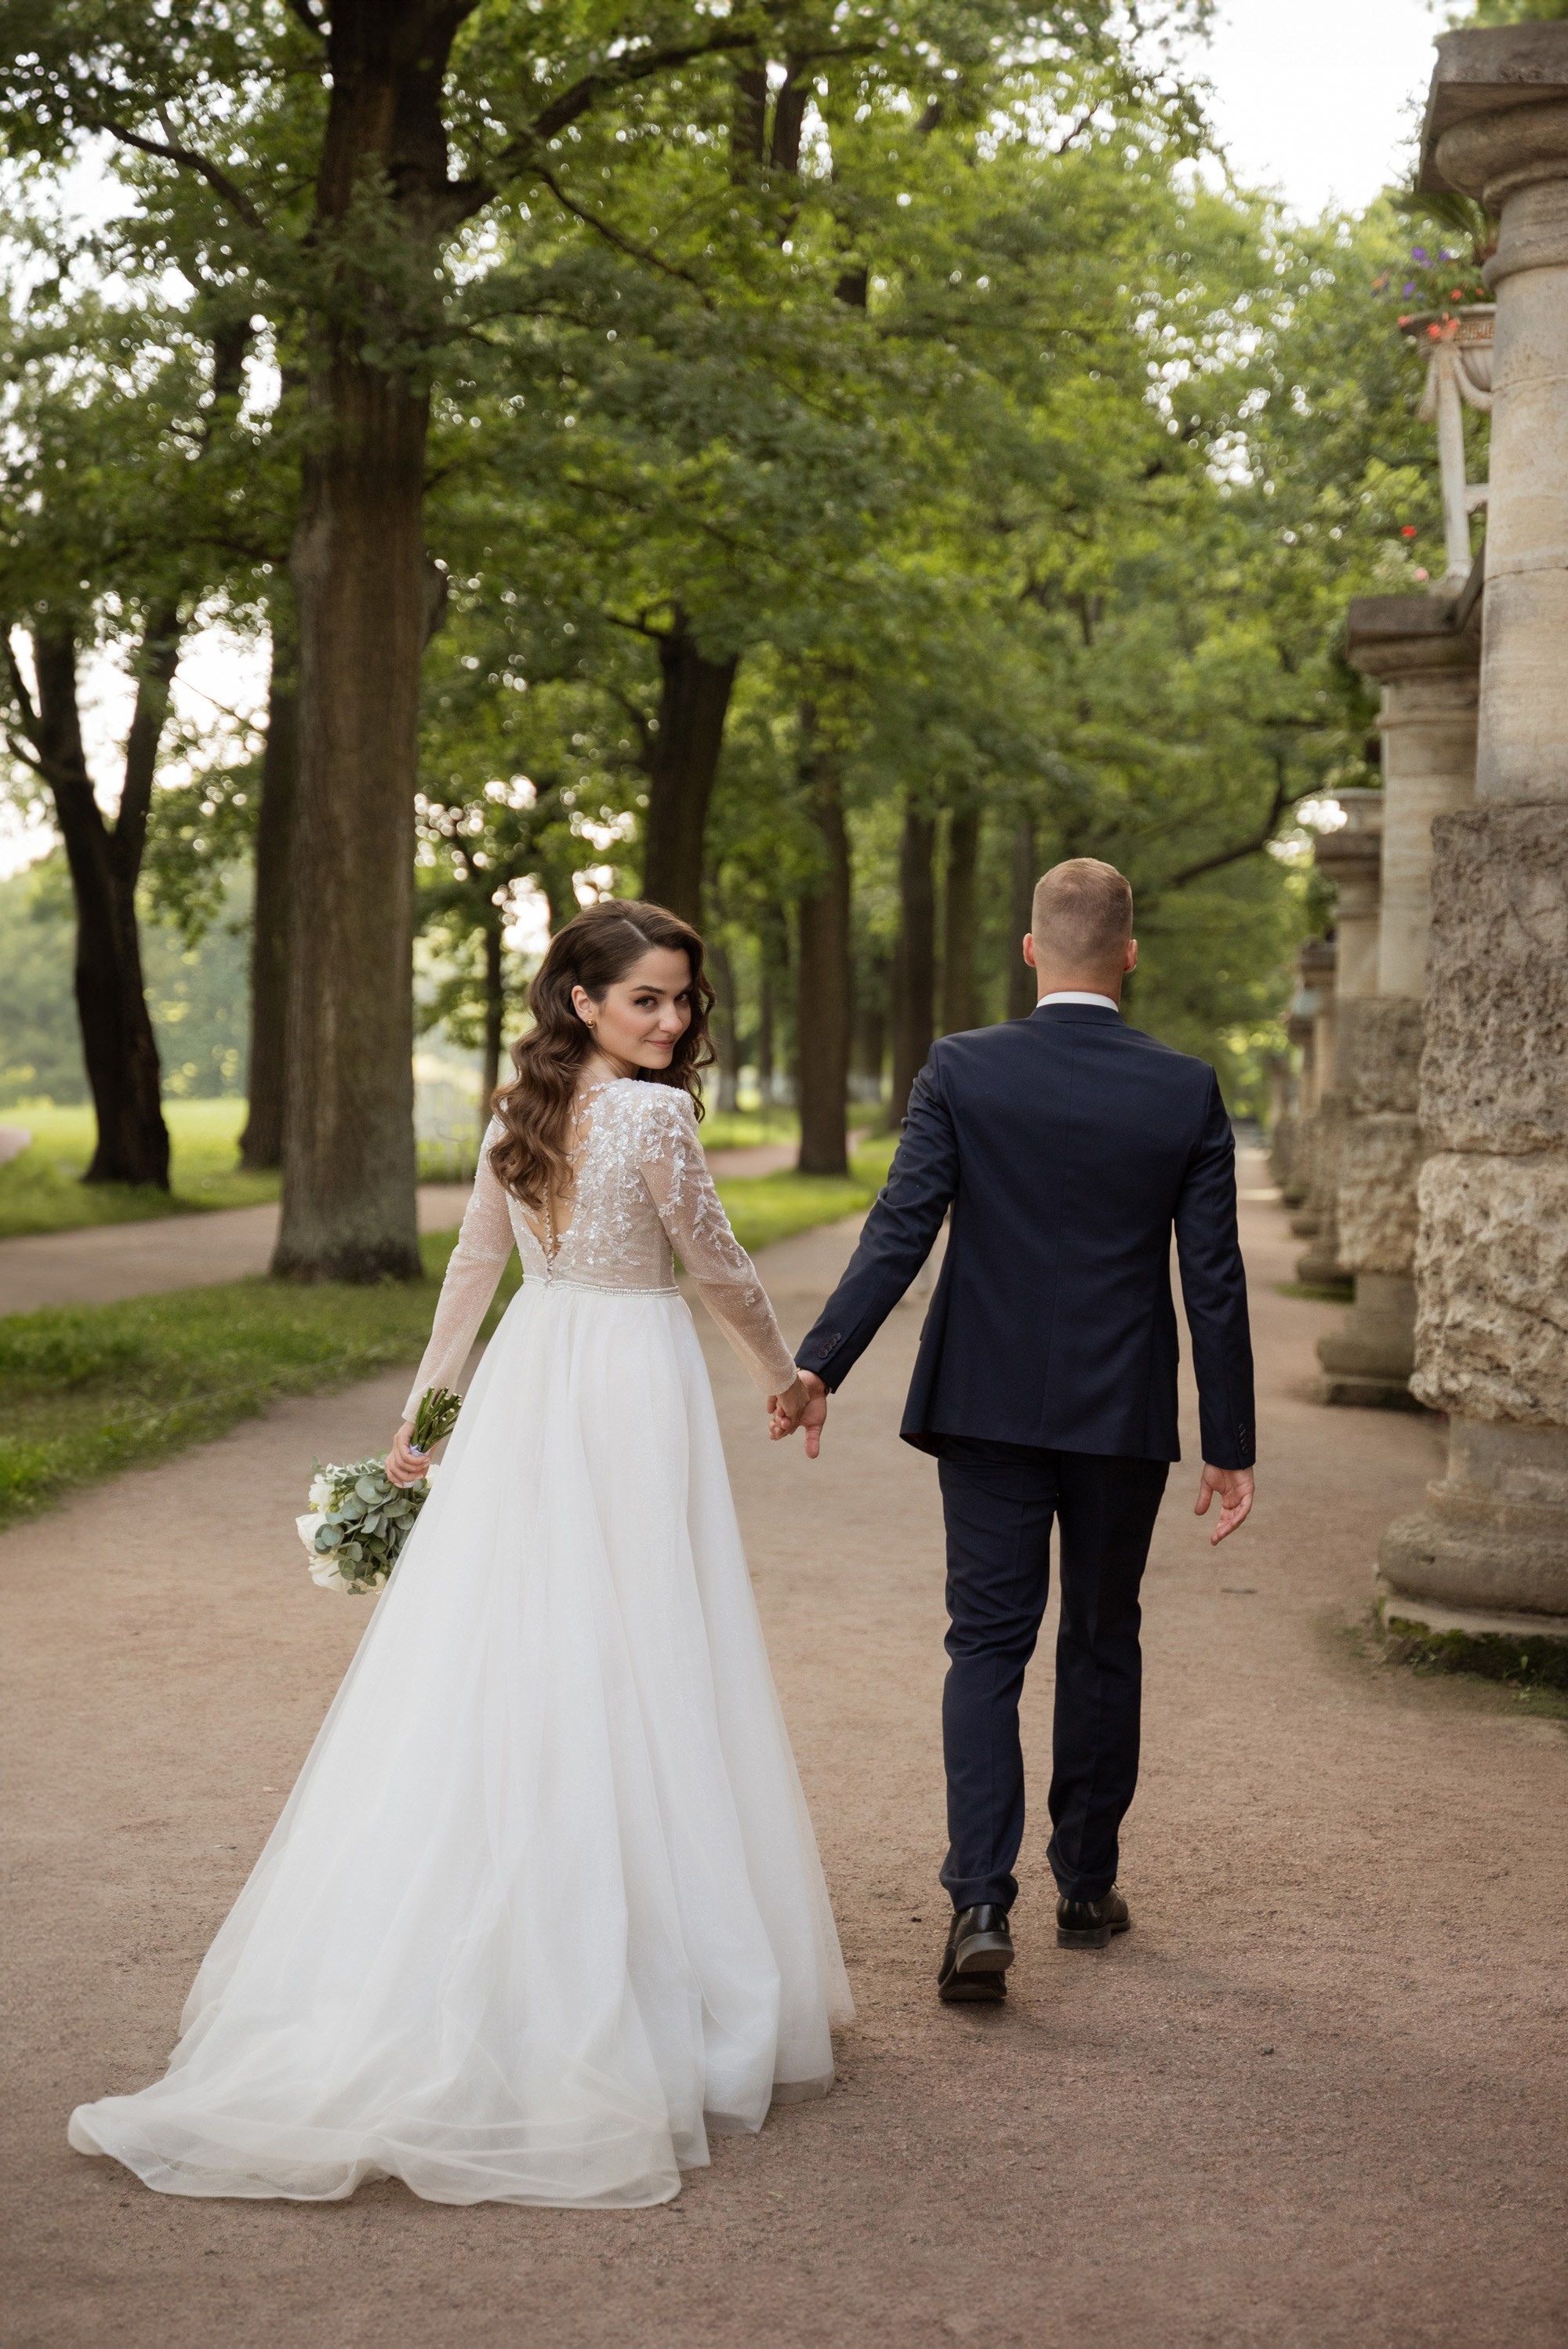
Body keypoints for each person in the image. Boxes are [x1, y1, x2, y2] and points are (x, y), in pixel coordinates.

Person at [69, 900, 851, 2206]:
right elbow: (714, 1267)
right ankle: (643, 1965)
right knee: (642, 1638)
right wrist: (790, 1373)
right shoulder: (653, 1119)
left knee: (522, 1636)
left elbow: (474, 1283)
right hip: (625, 1377)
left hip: (538, 1379)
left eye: (683, 1003)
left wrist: (429, 1421)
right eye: (647, 1000)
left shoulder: (520, 1113)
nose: (671, 1022)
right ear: (585, 1003)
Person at [771, 859, 1255, 2005]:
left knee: (985, 1645)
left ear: (1030, 950)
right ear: (1130, 955)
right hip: (1120, 1409)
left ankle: (980, 1901)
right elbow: (1216, 1280)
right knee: (1101, 1634)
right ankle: (1086, 1887)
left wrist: (817, 1365)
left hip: (985, 1401)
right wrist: (1229, 1441)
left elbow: (902, 1228)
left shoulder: (963, 1067)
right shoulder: (1186, 1089)